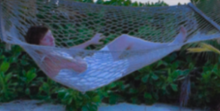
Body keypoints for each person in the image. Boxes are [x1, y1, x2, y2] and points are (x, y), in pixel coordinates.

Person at [23, 25, 190, 76]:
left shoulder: (49, 53)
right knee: (135, 59)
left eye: (51, 35)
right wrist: (82, 60)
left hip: (95, 61)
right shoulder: (51, 60)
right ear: (37, 44)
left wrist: (90, 42)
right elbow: (80, 66)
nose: (52, 39)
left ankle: (171, 45)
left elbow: (70, 52)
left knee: (125, 39)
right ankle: (173, 46)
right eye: (47, 39)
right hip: (95, 71)